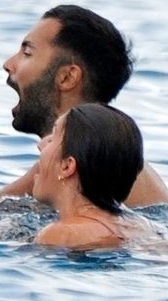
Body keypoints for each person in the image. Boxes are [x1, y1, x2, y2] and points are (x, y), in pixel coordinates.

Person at [0, 5, 168, 208]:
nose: (9, 64)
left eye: (27, 53)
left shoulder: (93, 163)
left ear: (67, 77)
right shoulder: (65, 159)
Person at [29, 103, 151, 250]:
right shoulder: (141, 227)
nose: (40, 145)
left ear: (67, 166)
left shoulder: (60, 234)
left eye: (53, 137)